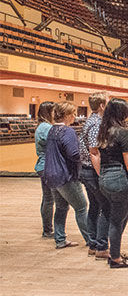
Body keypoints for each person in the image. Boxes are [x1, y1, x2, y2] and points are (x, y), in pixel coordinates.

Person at [96, 98, 128, 268]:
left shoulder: (103, 131)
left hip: (104, 177)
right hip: (119, 178)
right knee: (117, 219)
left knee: (110, 215)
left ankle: (109, 248)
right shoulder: (123, 133)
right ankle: (115, 257)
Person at [43, 101, 90, 249]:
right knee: (81, 207)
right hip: (65, 176)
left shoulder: (52, 130)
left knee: (61, 207)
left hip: (51, 175)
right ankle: (92, 241)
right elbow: (74, 154)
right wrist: (88, 155)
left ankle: (60, 239)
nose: (75, 116)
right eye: (73, 114)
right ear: (67, 115)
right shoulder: (67, 131)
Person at [78, 91, 110, 259]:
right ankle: (100, 245)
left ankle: (93, 244)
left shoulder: (91, 120)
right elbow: (94, 151)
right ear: (102, 105)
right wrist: (101, 174)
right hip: (92, 171)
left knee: (95, 207)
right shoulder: (97, 123)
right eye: (108, 102)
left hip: (86, 170)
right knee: (106, 207)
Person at [34, 101, 55, 239]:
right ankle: (48, 230)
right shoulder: (45, 127)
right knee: (49, 200)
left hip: (45, 165)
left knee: (48, 199)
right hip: (47, 166)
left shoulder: (43, 126)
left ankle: (48, 229)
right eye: (54, 111)